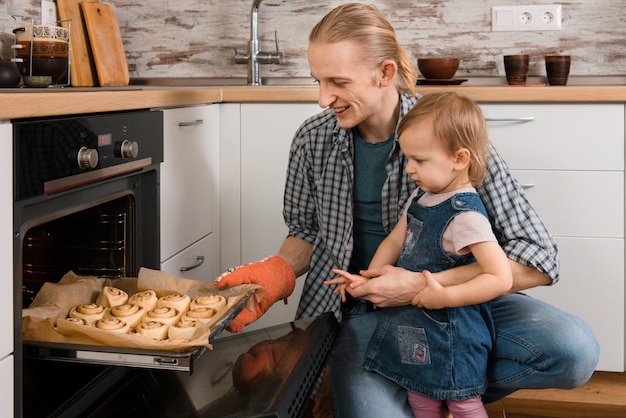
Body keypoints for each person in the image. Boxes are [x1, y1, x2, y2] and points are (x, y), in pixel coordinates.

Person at [215, 3, 599, 417]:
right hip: (362, 315)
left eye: (337, 82)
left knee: (573, 350)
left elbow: (539, 258)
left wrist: (423, 285)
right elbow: (306, 231)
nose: (323, 98)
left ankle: (444, 384)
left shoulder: (445, 131)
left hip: (460, 311)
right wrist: (280, 270)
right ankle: (428, 386)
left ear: (385, 73)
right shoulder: (312, 139)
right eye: (318, 81)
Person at [328, 92, 512, 418]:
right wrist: (369, 280)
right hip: (414, 328)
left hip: (454, 333)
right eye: (407, 158)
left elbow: (500, 277)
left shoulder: (465, 215)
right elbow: (394, 241)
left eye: (420, 160)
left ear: (459, 158)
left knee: (462, 402)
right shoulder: (422, 195)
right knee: (421, 399)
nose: (409, 168)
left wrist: (445, 297)